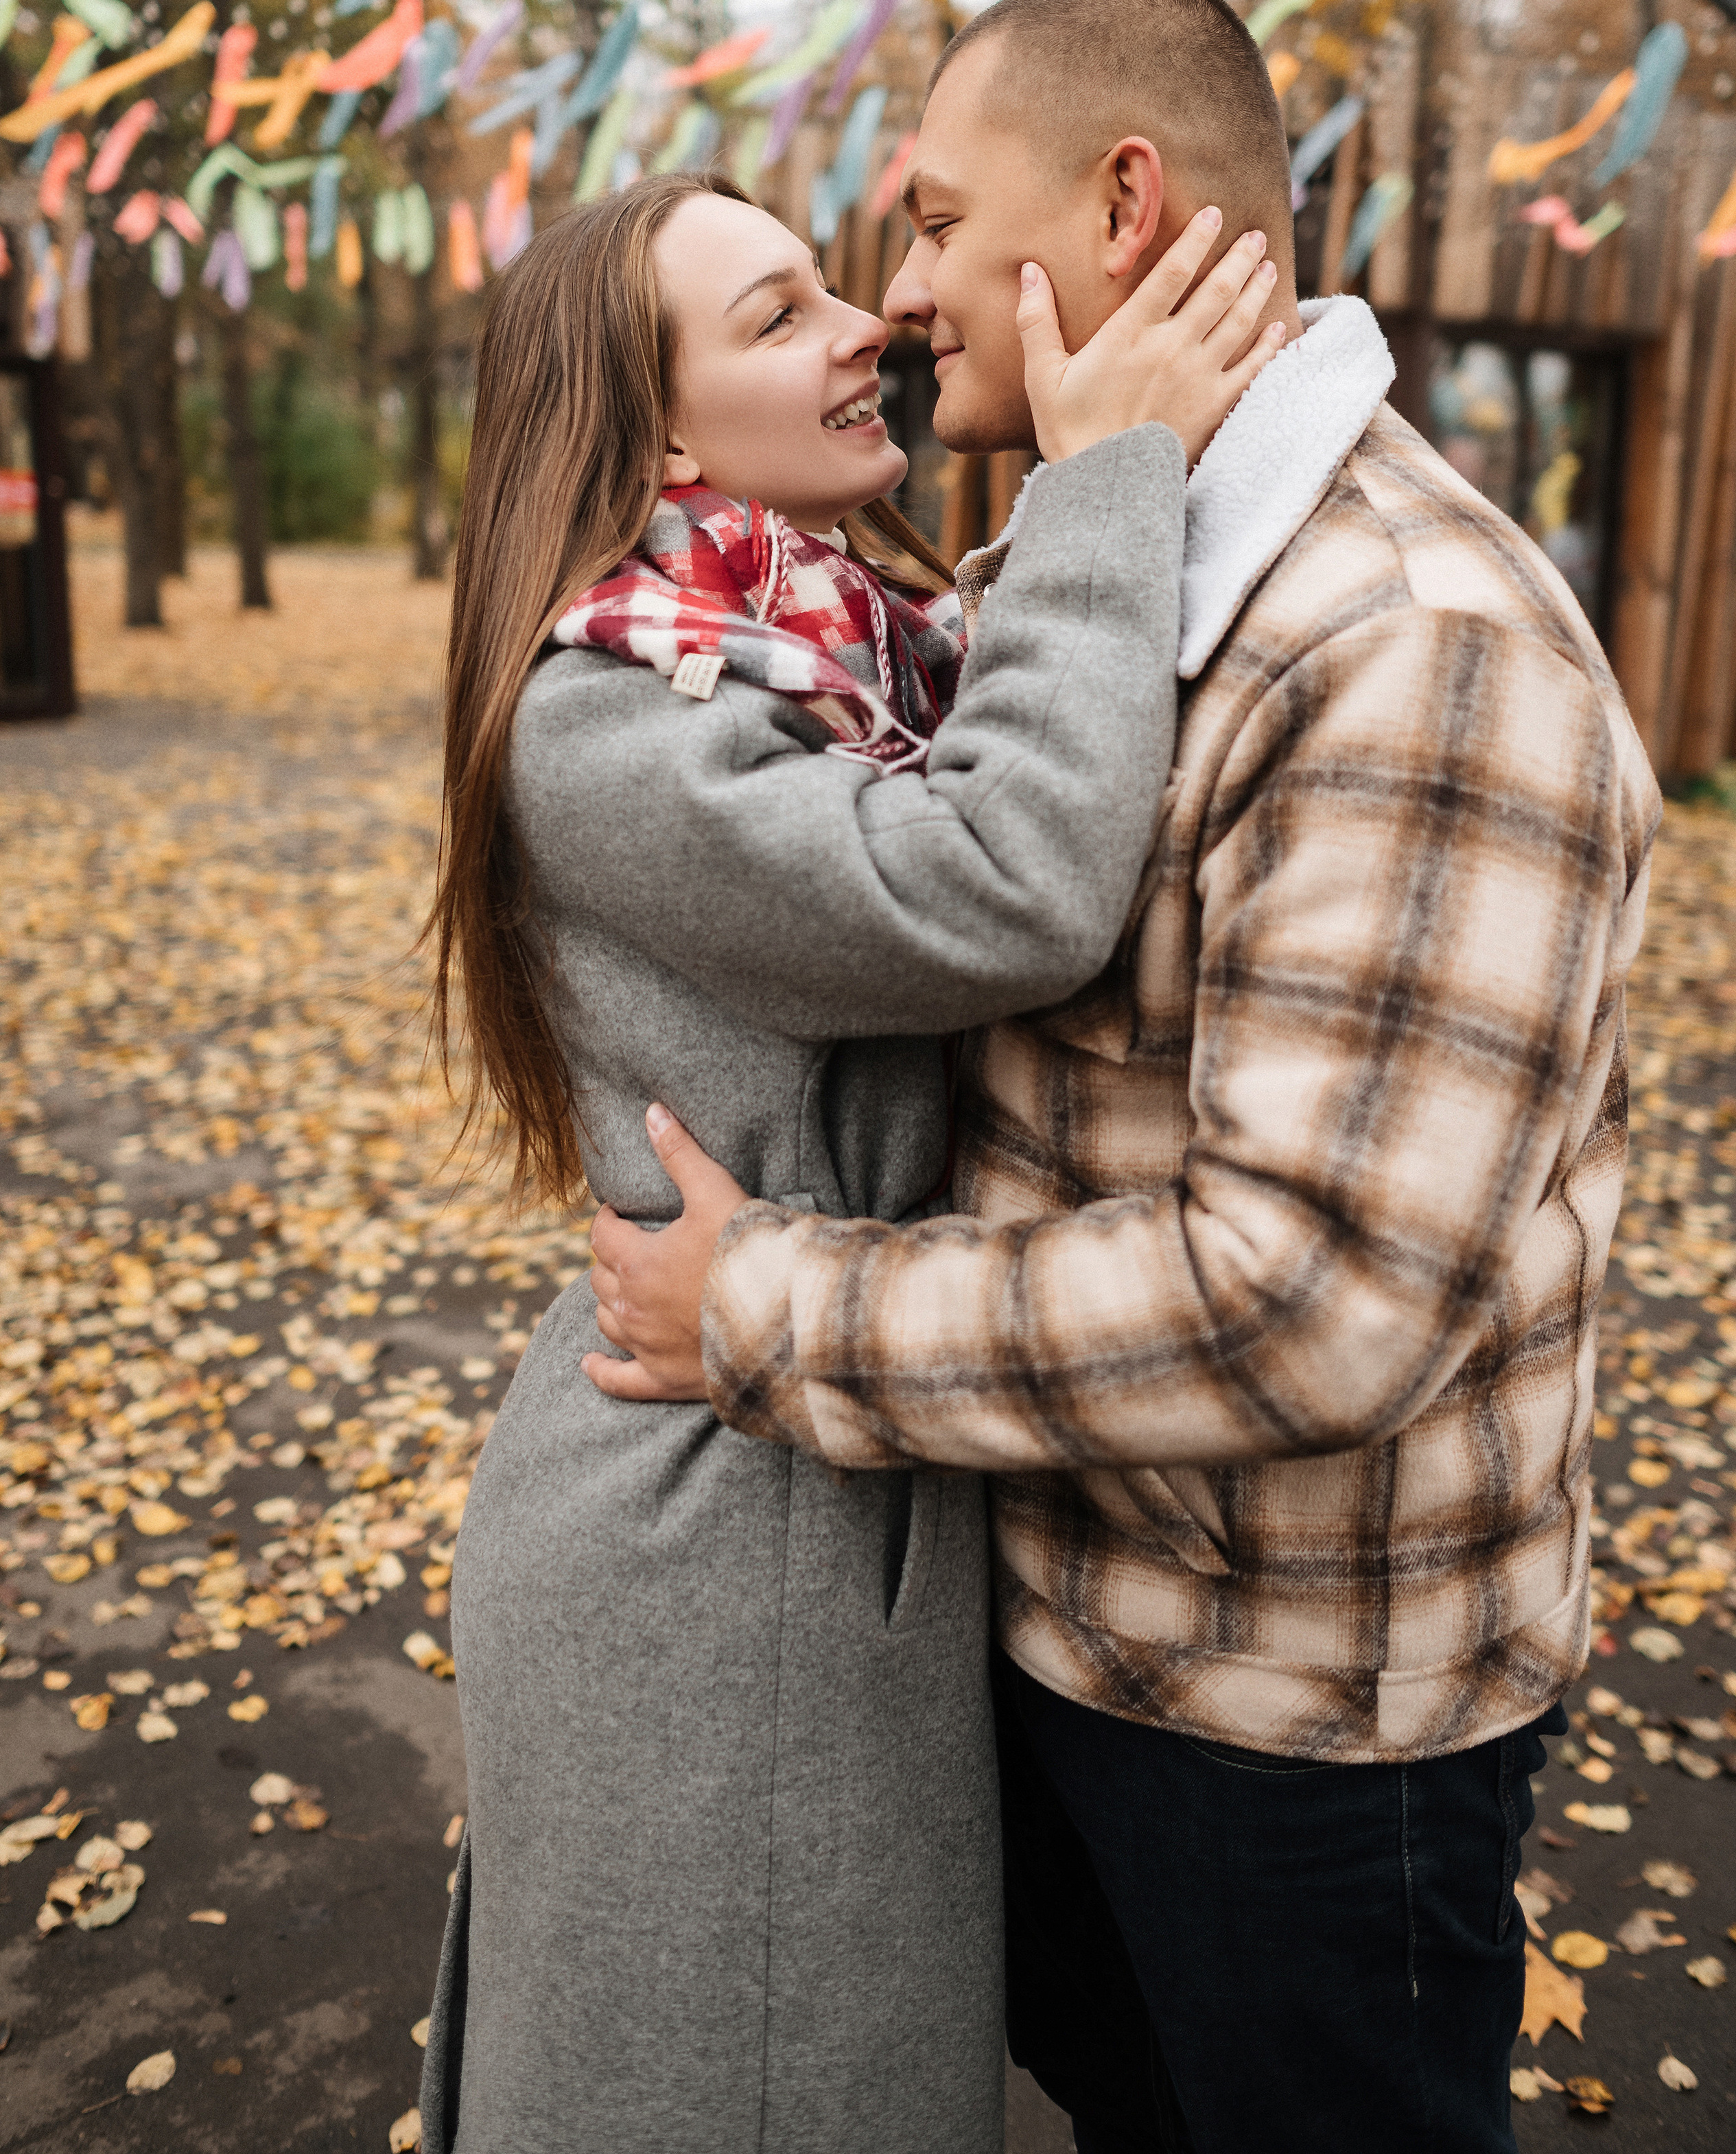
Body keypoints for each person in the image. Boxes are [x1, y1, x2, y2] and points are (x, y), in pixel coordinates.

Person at [585, 0, 1665, 2154]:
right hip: (1070, 1643)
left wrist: (770, 1306)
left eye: (932, 223)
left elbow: (1310, 1291)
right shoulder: (1121, 561)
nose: (897, 298)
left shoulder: (1414, 646)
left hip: (1296, 1742)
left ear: (1125, 204)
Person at [417, 163, 1281, 2154]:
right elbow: (1005, 882)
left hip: (802, 1447)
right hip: (715, 1543)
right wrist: (1107, 472)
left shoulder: (847, 643)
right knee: (744, 2085)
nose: (863, 329)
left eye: (840, 294)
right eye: (783, 316)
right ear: (649, 433)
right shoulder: (608, 721)